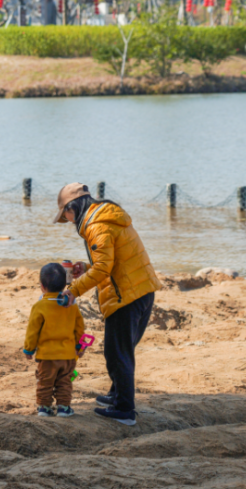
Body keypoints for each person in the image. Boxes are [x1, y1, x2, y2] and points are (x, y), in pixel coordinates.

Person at [55, 183, 161, 427]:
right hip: (142, 288)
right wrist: (87, 266)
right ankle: (117, 394)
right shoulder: (106, 215)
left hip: (127, 296)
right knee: (121, 350)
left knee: (117, 353)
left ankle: (125, 410)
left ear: (73, 207)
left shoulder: (96, 225)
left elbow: (105, 268)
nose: (68, 221)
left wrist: (73, 290)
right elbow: (111, 262)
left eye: (66, 215)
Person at [23, 263, 86, 418]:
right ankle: (64, 408)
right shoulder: (72, 306)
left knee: (45, 382)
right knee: (65, 382)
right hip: (68, 354)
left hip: (46, 356)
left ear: (42, 286)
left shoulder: (39, 306)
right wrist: (80, 346)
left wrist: (29, 349)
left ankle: (44, 408)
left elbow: (33, 331)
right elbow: (80, 329)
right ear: (65, 284)